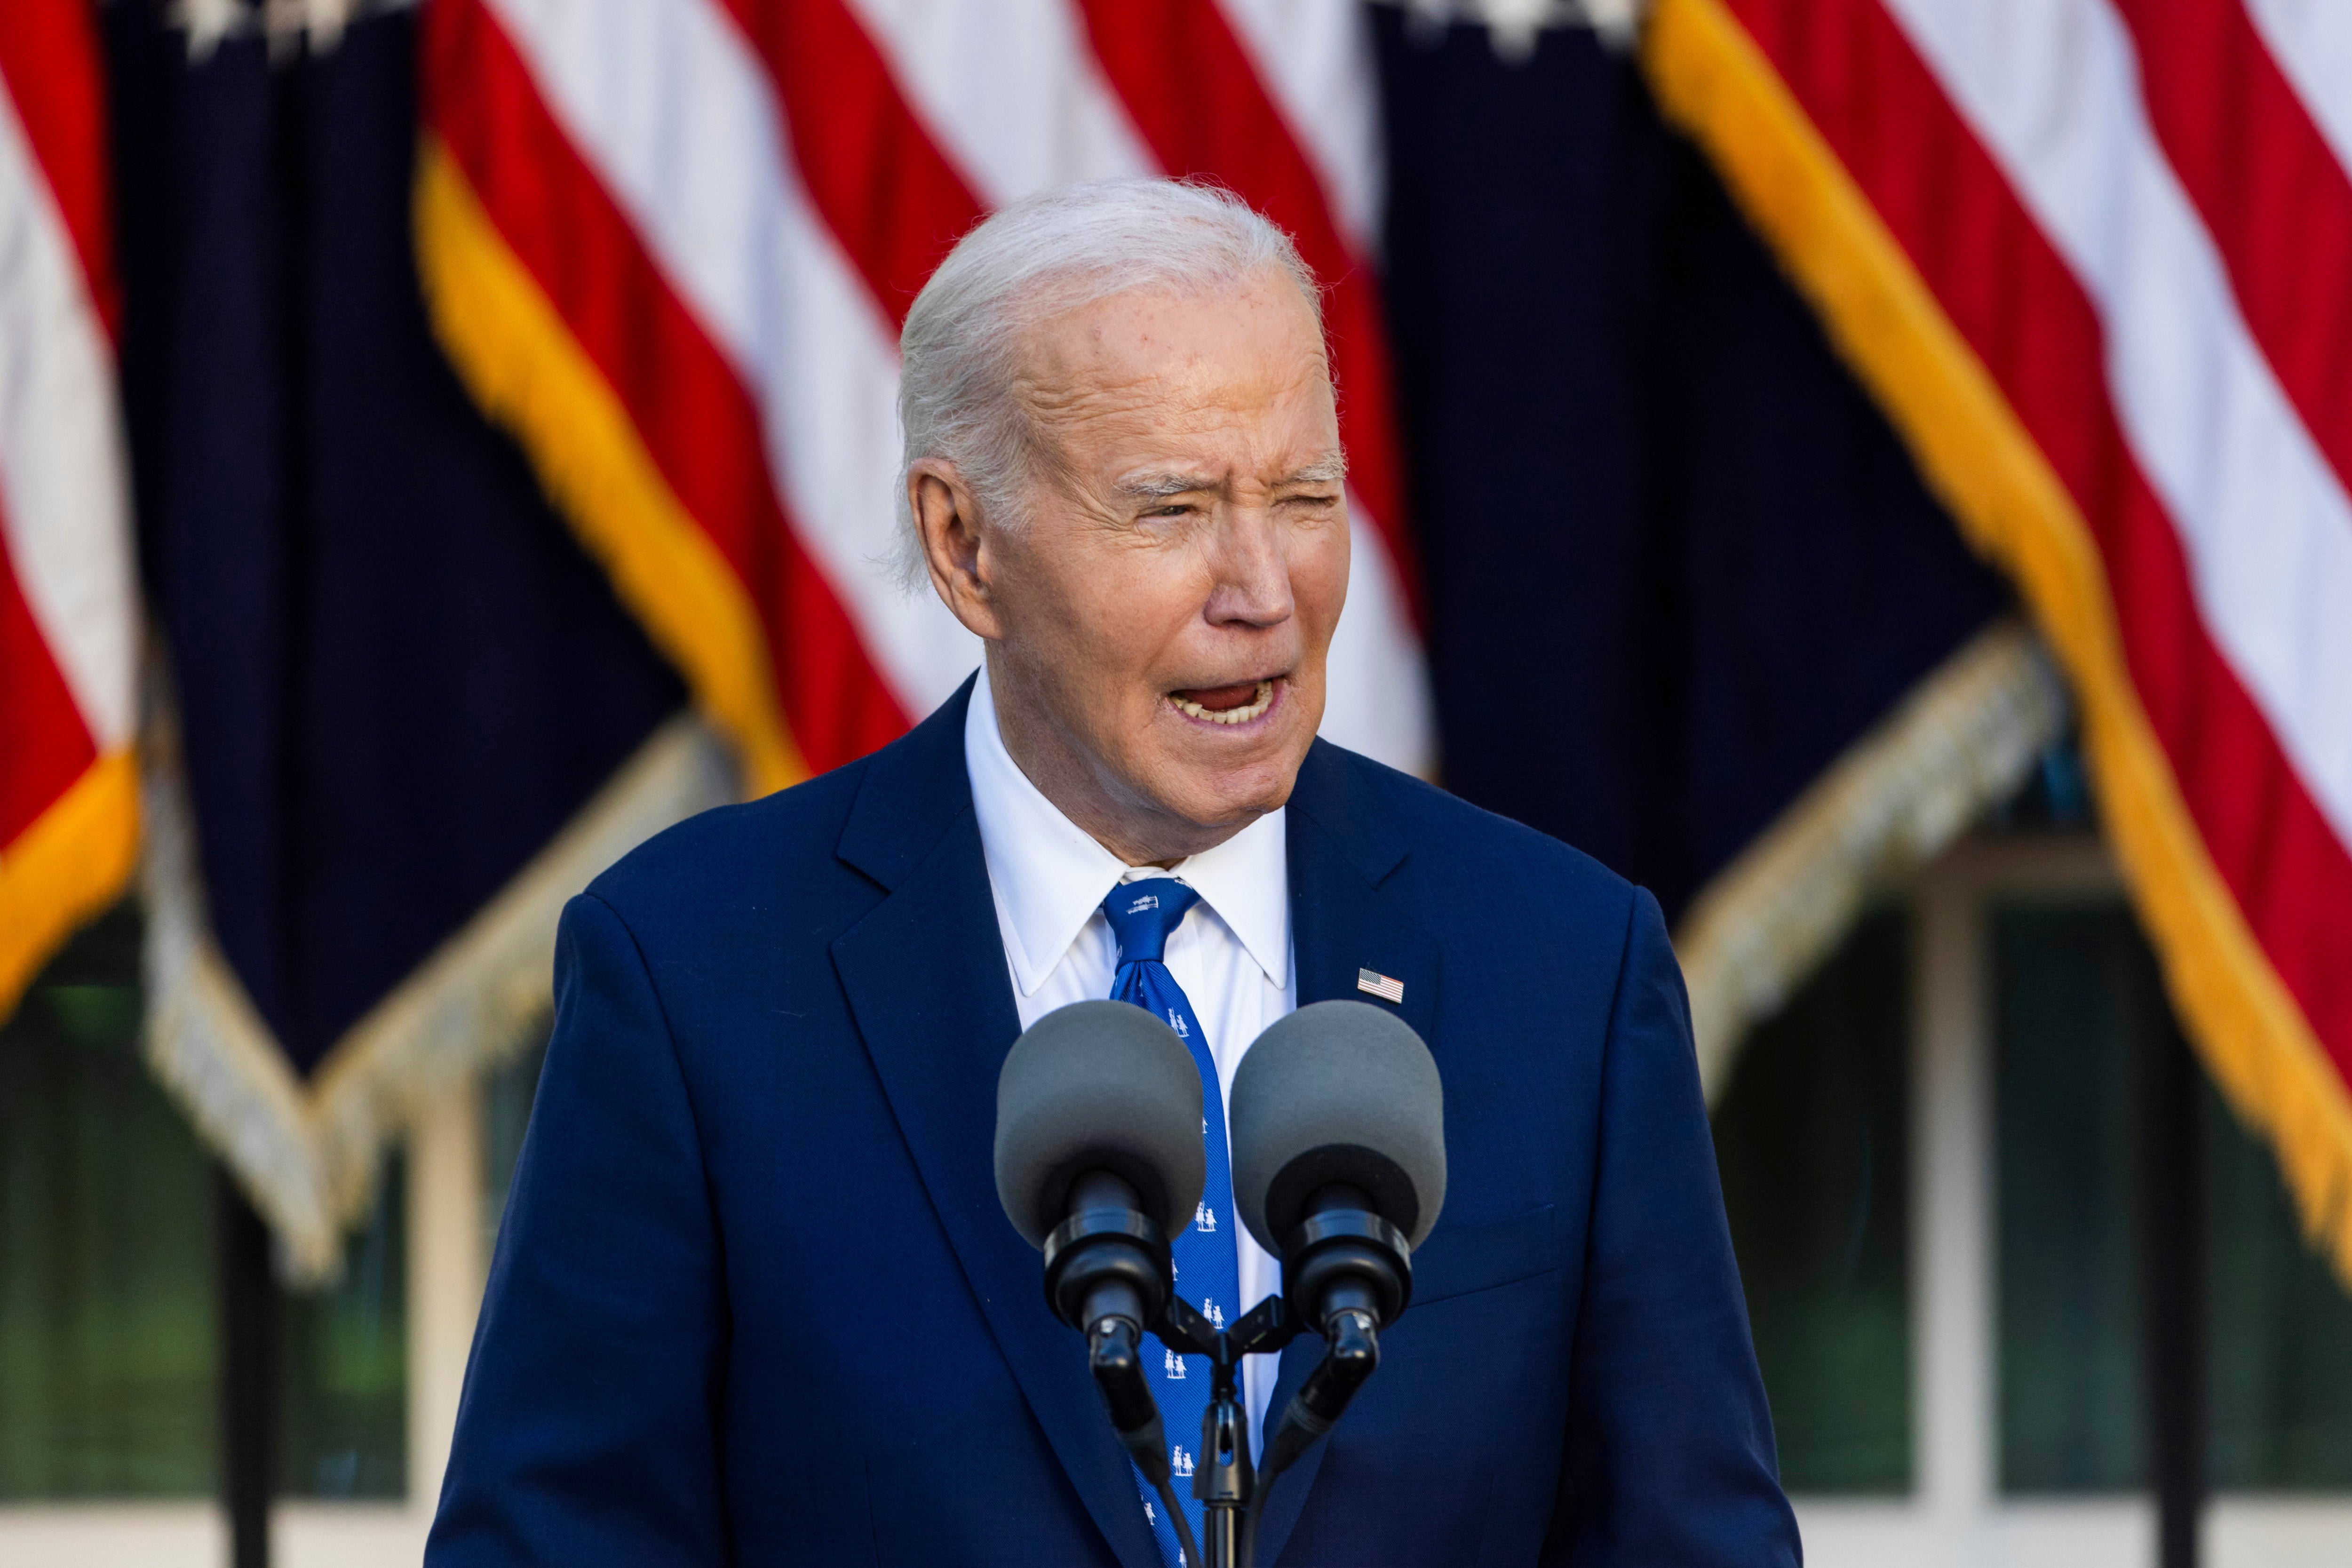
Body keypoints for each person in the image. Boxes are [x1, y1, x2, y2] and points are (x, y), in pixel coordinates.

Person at [427, 179, 1798, 1567]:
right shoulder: (695, 977)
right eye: (1174, 509)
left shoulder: (1562, 966)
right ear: (965, 548)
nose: (1263, 588)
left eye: (1305, 496)